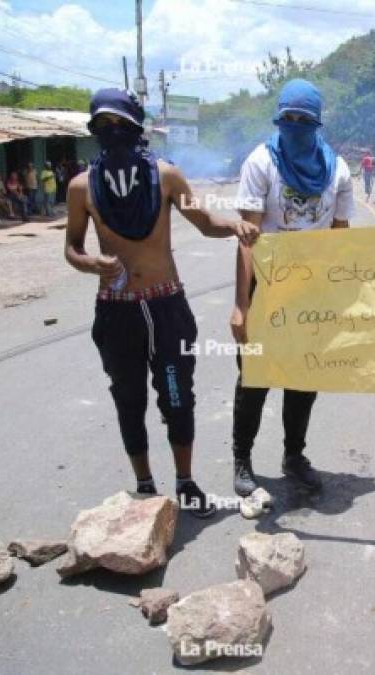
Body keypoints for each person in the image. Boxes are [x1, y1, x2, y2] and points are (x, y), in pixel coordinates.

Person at [65, 88, 258, 516]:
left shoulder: (166, 176)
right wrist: (91, 261)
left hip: (166, 307)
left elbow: (203, 220)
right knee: (128, 398)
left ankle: (186, 483)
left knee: (176, 396)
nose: (112, 132)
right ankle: (145, 486)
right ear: (93, 130)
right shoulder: (81, 188)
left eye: (120, 124)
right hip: (117, 312)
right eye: (102, 125)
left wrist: (234, 225)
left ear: (137, 127)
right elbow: (72, 248)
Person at [229, 78, 353, 498]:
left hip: (311, 294)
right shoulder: (260, 162)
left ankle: (293, 456)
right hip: (266, 290)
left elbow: (340, 240)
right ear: (280, 119)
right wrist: (240, 306)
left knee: (303, 378)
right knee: (254, 378)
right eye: (289, 119)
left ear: (317, 123)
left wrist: (338, 298)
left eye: (304, 120)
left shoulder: (338, 170)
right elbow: (246, 239)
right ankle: (242, 459)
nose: (295, 126)